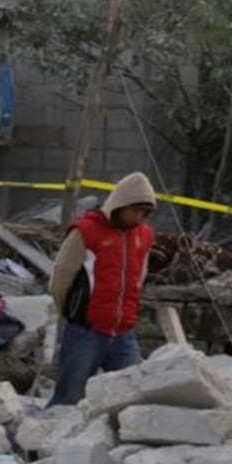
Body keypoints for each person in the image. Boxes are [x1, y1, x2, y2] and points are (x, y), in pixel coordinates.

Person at [47, 172, 157, 406]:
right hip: (86, 331)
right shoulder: (86, 232)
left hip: (123, 332)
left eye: (145, 212)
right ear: (121, 204)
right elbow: (61, 278)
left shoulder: (144, 235)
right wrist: (71, 313)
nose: (140, 217)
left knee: (132, 399)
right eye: (136, 210)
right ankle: (46, 430)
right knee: (69, 399)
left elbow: (139, 275)